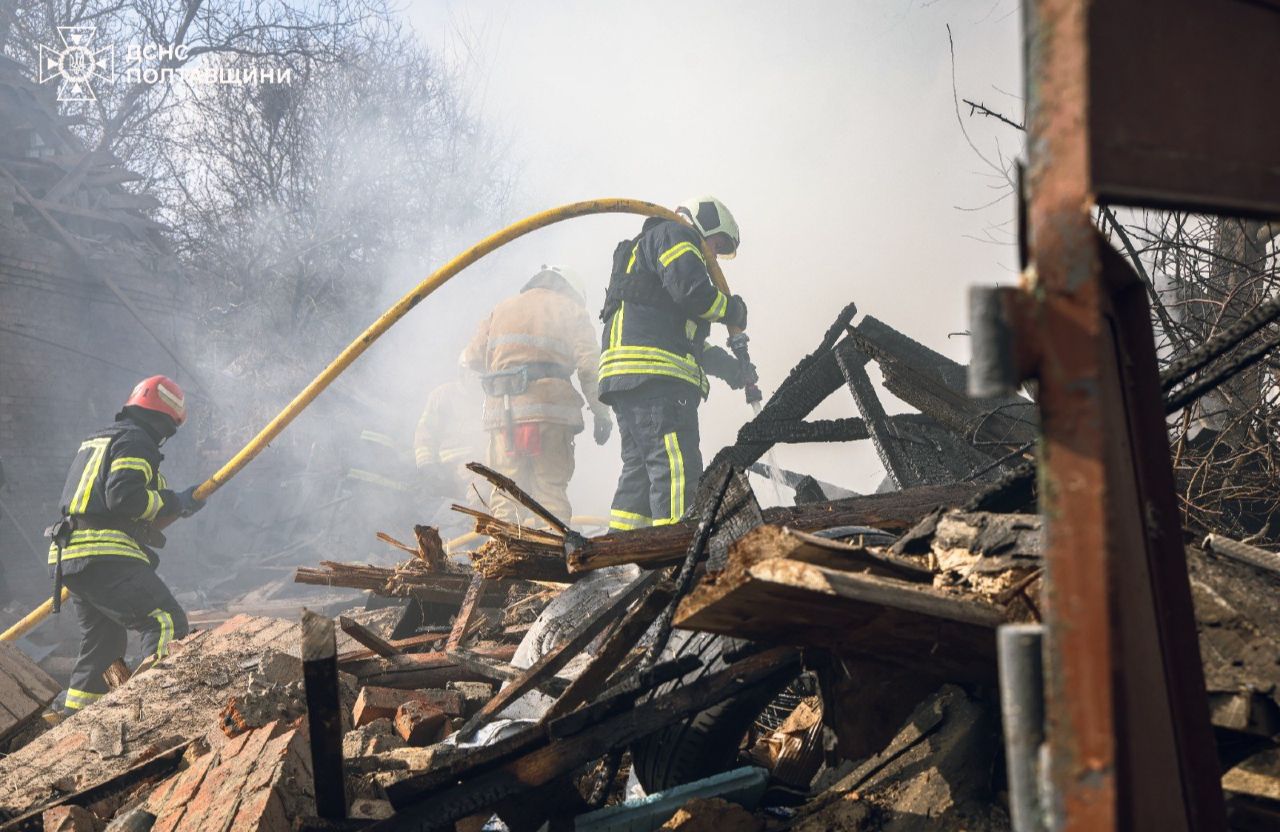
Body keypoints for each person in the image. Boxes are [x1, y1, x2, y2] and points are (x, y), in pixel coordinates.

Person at [46, 376, 205, 712]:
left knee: (103, 646)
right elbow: (124, 498)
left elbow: (115, 502)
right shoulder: (137, 441)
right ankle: (159, 711)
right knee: (164, 620)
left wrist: (179, 503)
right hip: (104, 553)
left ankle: (74, 724)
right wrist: (174, 502)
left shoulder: (100, 441)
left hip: (72, 555)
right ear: (163, 422)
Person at [598, 196, 755, 531]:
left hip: (631, 381)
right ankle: (678, 560)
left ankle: (620, 562)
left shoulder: (650, 246)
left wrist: (731, 369)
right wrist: (733, 309)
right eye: (717, 244)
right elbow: (693, 293)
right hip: (657, 383)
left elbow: (684, 342)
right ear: (704, 225)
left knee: (639, 475)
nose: (713, 255)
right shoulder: (675, 234)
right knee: (676, 469)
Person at [462, 265, 612, 523]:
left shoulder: (501, 308)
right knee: (550, 492)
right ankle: (551, 557)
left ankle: (506, 555)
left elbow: (473, 357)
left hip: (504, 416)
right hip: (551, 414)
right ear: (572, 290)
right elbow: (590, 367)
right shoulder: (572, 309)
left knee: (505, 491)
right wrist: (601, 412)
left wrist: (507, 366)